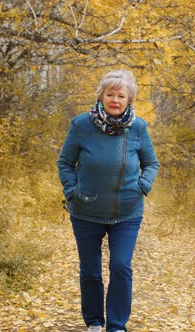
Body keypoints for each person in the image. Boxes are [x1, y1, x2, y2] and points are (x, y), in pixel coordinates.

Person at [57, 69, 159, 332]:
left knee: (121, 266)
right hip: (85, 210)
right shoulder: (81, 125)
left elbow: (151, 163)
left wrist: (142, 186)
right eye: (110, 94)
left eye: (121, 95)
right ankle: (94, 321)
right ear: (101, 96)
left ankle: (116, 325)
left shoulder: (138, 127)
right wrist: (72, 191)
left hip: (127, 212)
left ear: (129, 99)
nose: (115, 100)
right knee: (90, 270)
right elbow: (65, 162)